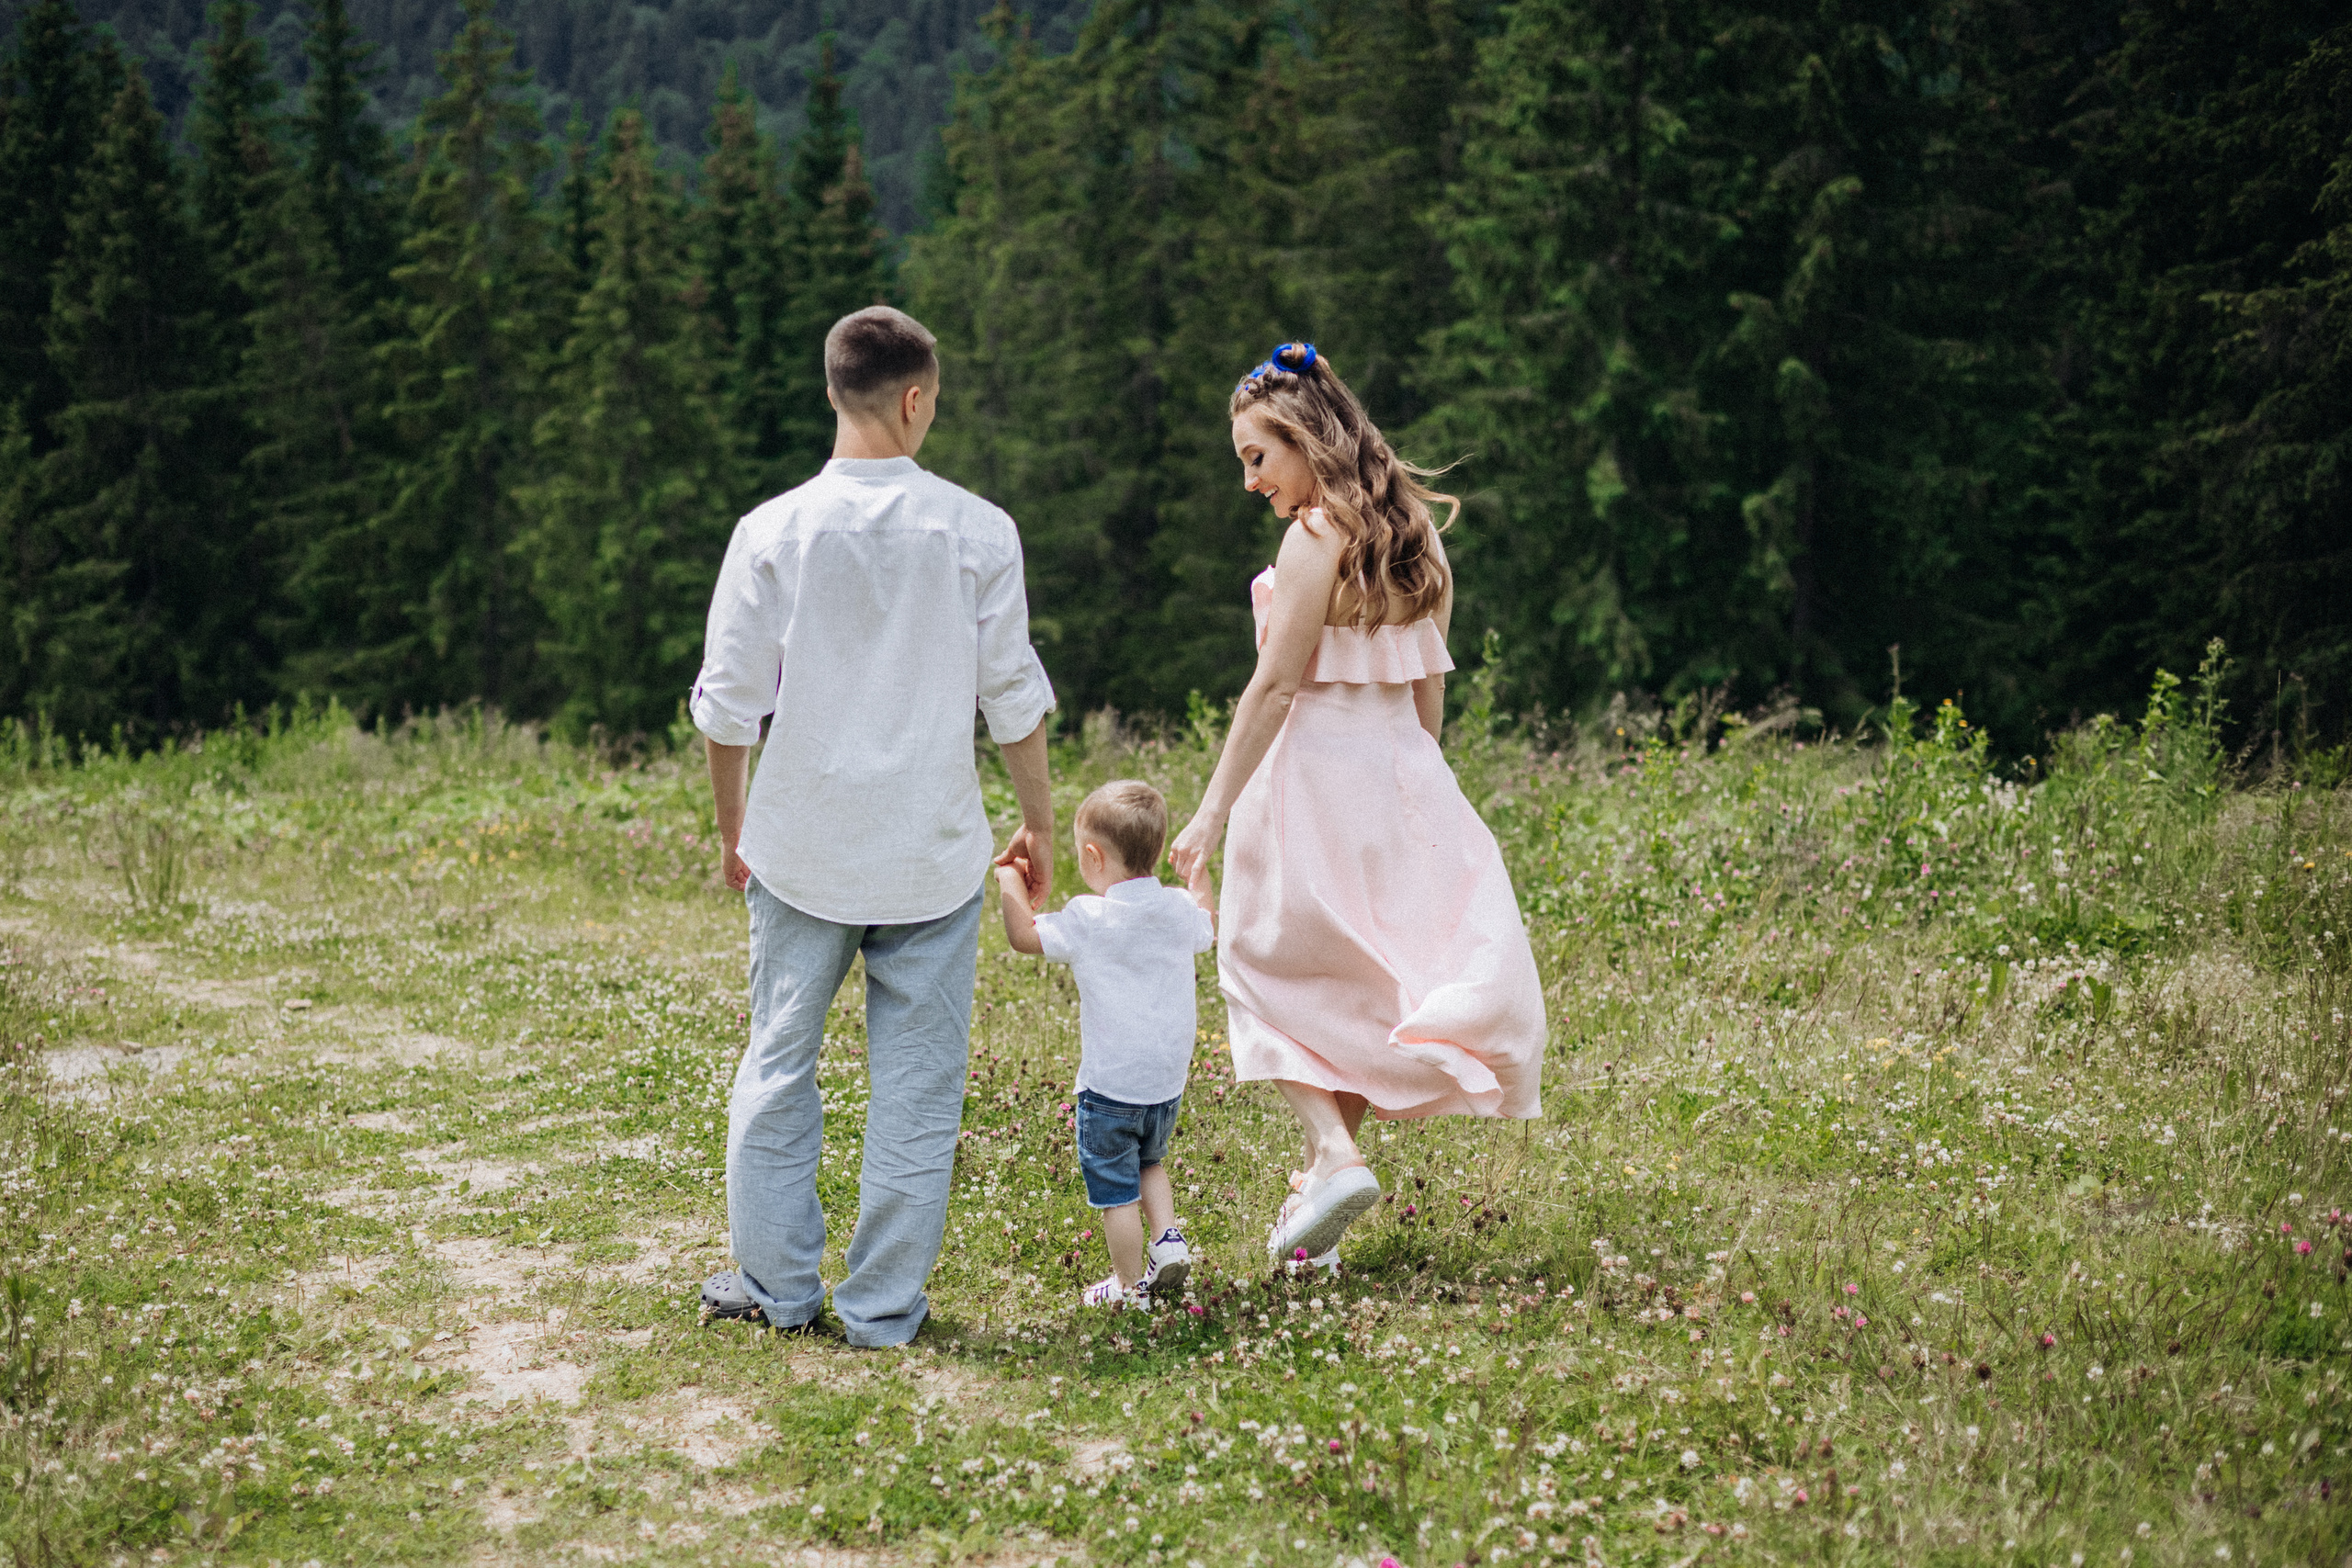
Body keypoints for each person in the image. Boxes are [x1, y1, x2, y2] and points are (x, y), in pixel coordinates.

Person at [690, 305, 1057, 1347]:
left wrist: (733, 832)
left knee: (776, 1064)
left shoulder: (769, 532)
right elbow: (1013, 700)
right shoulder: (980, 530)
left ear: (832, 393)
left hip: (799, 845)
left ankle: (775, 1288)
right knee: (918, 1087)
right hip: (930, 856)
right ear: (912, 399)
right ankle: (883, 1307)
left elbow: (726, 707)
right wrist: (1034, 825)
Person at [1168, 341, 1547, 1271]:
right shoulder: (1418, 536)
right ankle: (1314, 1220)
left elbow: (1273, 690)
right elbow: (1429, 693)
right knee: (1347, 984)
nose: (1251, 481)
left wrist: (1210, 812)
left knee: (1260, 974)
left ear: (1302, 437)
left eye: (1258, 457)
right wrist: (1422, 798)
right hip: (1399, 776)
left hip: (1310, 778)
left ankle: (1334, 1153)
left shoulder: (1312, 540)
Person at [996, 780, 1216, 1307]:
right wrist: (1201, 874)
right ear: (1158, 851)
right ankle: (1167, 1240)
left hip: (1110, 1087)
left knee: (1117, 1190)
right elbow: (1209, 919)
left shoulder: (1088, 918)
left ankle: (1126, 1285)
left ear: (1092, 856)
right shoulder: (1179, 908)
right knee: (1150, 1161)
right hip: (1165, 1084)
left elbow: (1022, 936)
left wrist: (1008, 877)